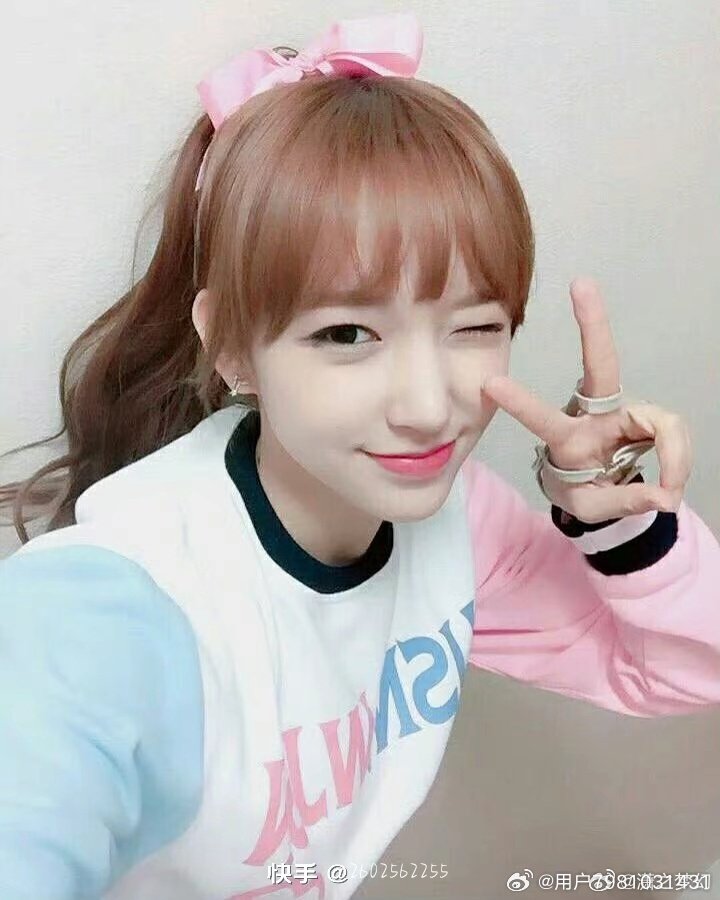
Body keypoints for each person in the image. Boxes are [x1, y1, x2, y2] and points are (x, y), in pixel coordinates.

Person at [0, 11, 718, 900]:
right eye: (346, 333)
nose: (428, 409)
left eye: (475, 327)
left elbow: (675, 671)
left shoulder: (461, 521)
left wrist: (610, 518)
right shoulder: (105, 615)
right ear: (230, 348)